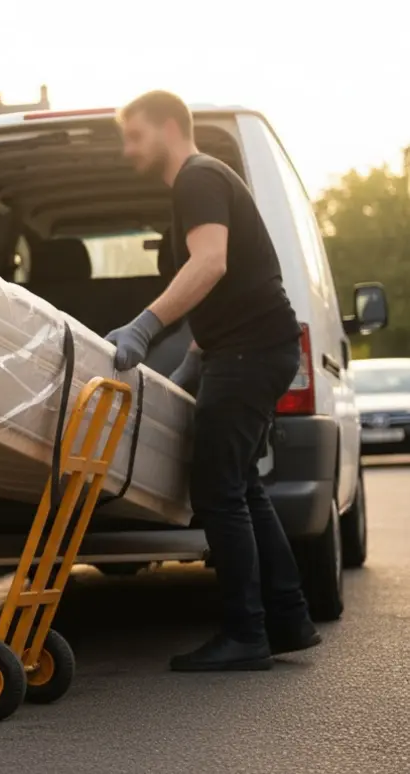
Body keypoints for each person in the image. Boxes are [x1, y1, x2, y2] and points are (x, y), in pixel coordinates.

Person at [111, 90, 320, 672]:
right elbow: (229, 287)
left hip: (250, 355)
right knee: (243, 488)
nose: (128, 150)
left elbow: (211, 264)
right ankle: (287, 620)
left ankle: (245, 635)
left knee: (217, 493)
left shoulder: (197, 178)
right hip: (246, 350)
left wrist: (145, 327)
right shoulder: (203, 181)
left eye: (135, 136)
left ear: (170, 127)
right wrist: (195, 359)